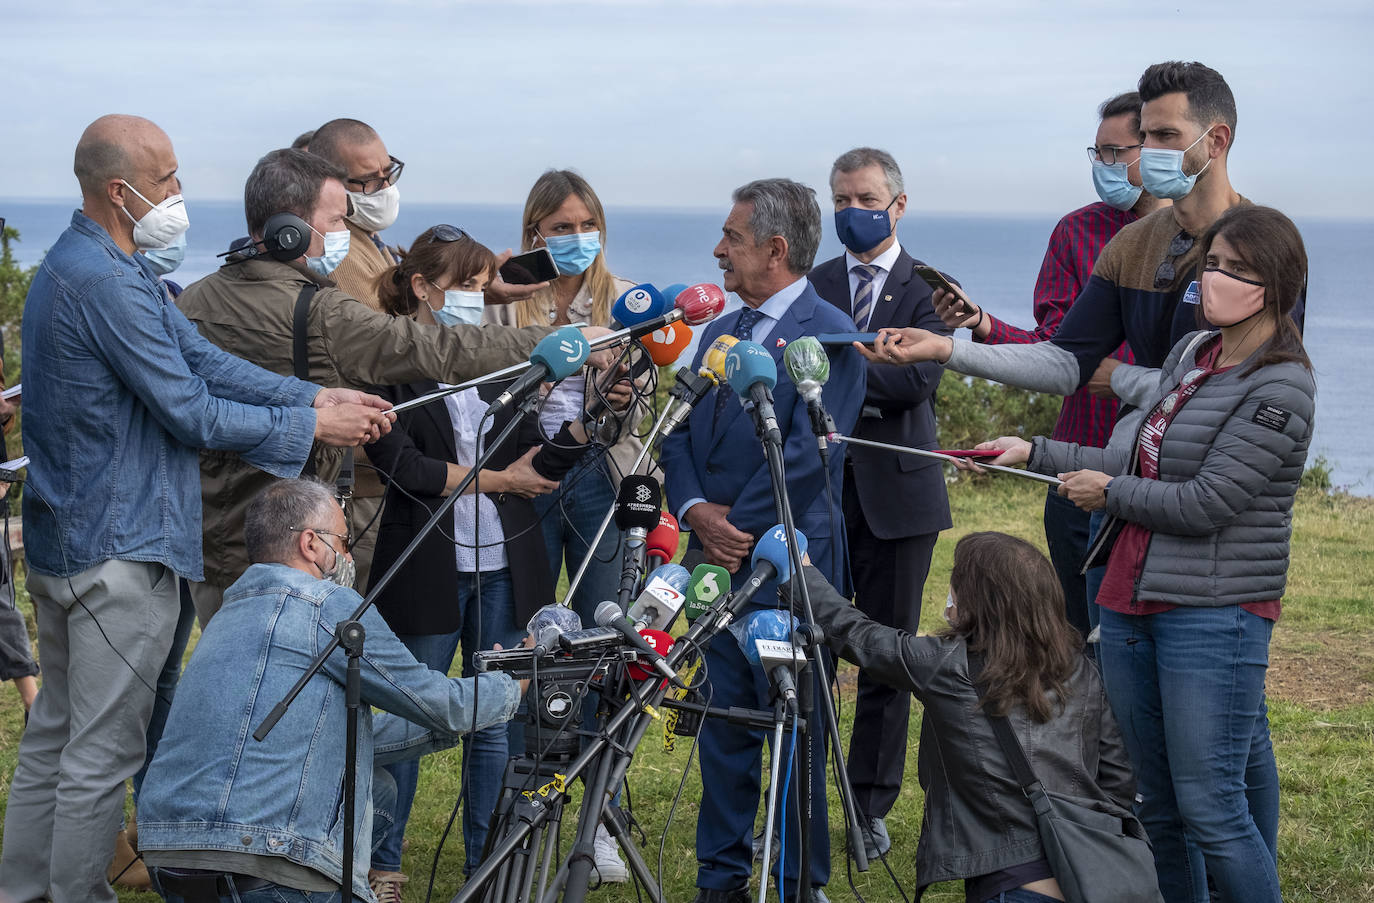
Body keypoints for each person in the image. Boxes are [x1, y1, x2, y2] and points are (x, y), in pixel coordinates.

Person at [0, 114, 391, 903]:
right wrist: (309, 424)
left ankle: (24, 889)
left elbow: (199, 357)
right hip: (119, 548)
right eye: (168, 177)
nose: (179, 193)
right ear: (121, 190)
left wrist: (311, 392)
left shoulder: (94, 264)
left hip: (73, 543)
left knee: (54, 736)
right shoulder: (106, 280)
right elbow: (190, 409)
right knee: (100, 751)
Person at [959, 205, 1314, 902]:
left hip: (1212, 615)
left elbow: (1207, 501)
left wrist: (1110, 493)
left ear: (1273, 286)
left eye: (1236, 270)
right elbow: (1130, 459)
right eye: (1212, 263)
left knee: (1212, 807)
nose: (1214, 280)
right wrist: (1033, 452)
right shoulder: (1190, 357)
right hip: (1129, 598)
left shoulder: (1282, 385)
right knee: (1156, 803)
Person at [175, 149, 593, 627]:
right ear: (289, 229)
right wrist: (565, 342)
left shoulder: (196, 298)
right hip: (299, 529)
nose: (342, 236)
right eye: (335, 221)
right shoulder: (321, 310)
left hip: (215, 526)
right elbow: (434, 348)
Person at [362, 227, 636, 892]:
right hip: (425, 568)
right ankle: (382, 863)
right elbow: (405, 467)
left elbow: (535, 458)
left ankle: (488, 861)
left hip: (504, 570)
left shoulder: (500, 364)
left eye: (481, 287)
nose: (476, 299)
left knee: (497, 720)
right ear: (423, 287)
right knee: (408, 719)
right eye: (463, 285)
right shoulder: (388, 363)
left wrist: (588, 417)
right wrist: (501, 480)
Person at [137, 478, 526, 902]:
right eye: (342, 542)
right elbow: (439, 703)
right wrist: (516, 680)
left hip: (168, 856)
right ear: (310, 543)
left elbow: (333, 742)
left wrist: (434, 733)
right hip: (266, 864)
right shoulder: (328, 605)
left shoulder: (226, 616)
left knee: (378, 787)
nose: (346, 556)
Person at [865, 62, 1303, 411]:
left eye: (1167, 135)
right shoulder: (1130, 244)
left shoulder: (1266, 247)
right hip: (1128, 472)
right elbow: (1065, 361)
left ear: (1216, 141)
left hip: (1220, 491)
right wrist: (945, 349)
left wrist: (1119, 379)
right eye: (1146, 136)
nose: (1150, 150)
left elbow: (1244, 389)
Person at [660, 177, 865, 903]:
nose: (719, 250)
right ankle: (720, 880)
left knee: (795, 728)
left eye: (733, 238)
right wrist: (691, 510)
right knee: (721, 725)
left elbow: (812, 454)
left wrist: (733, 527)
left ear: (775, 249)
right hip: (713, 565)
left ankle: (795, 882)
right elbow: (675, 431)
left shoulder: (831, 334)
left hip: (785, 565)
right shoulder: (718, 332)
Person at [930, 92, 1168, 639]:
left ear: (1153, 147)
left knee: (1140, 635)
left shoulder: (1209, 242)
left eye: (1116, 153)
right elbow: (1055, 350)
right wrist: (982, 325)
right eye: (1097, 154)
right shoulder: (1076, 232)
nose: (1103, 167)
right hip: (1072, 467)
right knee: (1077, 633)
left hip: (1154, 472)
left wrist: (1120, 379)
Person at [796, 531, 1138, 903]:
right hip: (1093, 877)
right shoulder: (1081, 670)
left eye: (955, 584)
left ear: (977, 603)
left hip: (1013, 885)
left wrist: (801, 573)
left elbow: (860, 635)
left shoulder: (948, 665)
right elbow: (1117, 779)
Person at [806, 146, 951, 861]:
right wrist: (866, 359)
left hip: (899, 496)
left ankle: (868, 805)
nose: (848, 211)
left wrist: (840, 361)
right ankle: (804, 784)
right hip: (825, 493)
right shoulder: (818, 279)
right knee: (813, 647)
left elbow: (916, 383)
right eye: (838, 199)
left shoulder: (927, 290)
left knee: (888, 658)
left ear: (897, 204)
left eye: (862, 198)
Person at [487, 169, 646, 629]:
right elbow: (482, 381)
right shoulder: (504, 301)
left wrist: (620, 397)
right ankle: (523, 703)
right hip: (525, 466)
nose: (578, 236)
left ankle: (595, 704)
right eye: (562, 228)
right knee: (520, 614)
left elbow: (638, 405)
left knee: (603, 615)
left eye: (587, 225)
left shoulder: (625, 299)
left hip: (601, 467)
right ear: (535, 232)